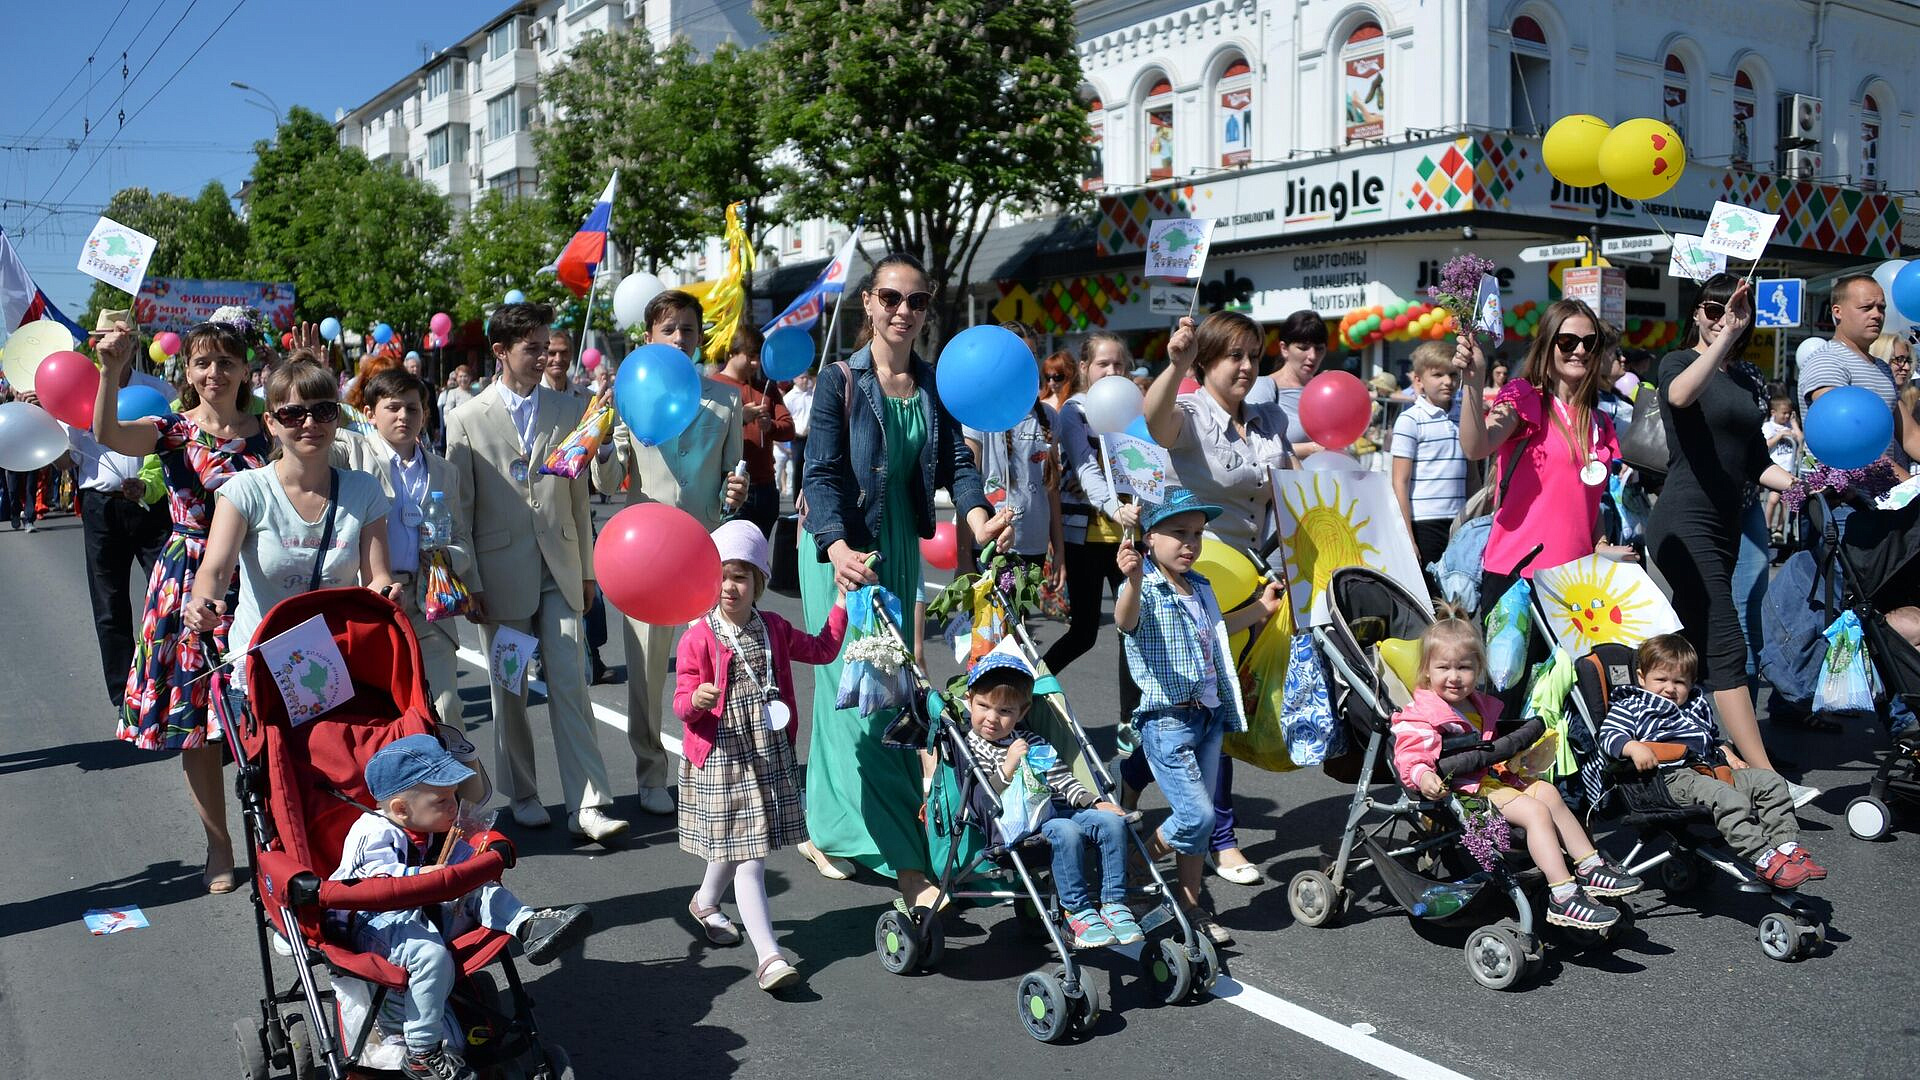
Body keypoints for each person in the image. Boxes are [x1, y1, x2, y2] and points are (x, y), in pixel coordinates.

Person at [795, 251, 1008, 909]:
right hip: (844, 554)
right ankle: (911, 868)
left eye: (916, 301)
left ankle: (829, 833)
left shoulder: (933, 382)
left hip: (898, 552)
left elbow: (954, 464)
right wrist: (834, 548)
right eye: (891, 298)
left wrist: (976, 515)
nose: (903, 312)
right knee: (871, 706)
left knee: (874, 700)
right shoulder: (840, 381)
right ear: (869, 303)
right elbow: (820, 475)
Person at [92, 317, 272, 893]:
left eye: (225, 361)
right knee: (199, 725)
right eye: (202, 363)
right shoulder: (172, 431)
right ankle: (219, 846)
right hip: (188, 578)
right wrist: (110, 371)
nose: (214, 372)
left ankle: (278, 840)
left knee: (269, 711)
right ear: (187, 372)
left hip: (262, 575)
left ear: (245, 368)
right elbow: (108, 436)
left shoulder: (273, 428)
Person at [445, 301, 629, 843]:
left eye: (547, 346)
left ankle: (589, 804)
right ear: (500, 352)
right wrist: (470, 579)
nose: (544, 355)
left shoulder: (569, 407)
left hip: (561, 563)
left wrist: (588, 567)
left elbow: (577, 493)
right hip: (500, 578)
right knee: (511, 688)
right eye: (533, 347)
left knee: (571, 678)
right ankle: (522, 793)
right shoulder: (465, 418)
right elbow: (460, 509)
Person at [1135, 310, 1291, 889]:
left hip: (1259, 576)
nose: (1248, 366)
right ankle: (1221, 840)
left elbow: (1299, 489)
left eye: (1254, 354)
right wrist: (1174, 366)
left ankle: (1132, 776)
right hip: (1199, 576)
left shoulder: (1270, 418)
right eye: (1235, 356)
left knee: (1201, 711)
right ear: (1206, 362)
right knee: (1214, 708)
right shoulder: (1191, 411)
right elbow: (1154, 423)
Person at [333, 734, 590, 1080]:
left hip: (427, 911)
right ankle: (423, 1051)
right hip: (378, 922)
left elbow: (462, 865)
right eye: (442, 799)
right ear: (400, 809)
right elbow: (373, 881)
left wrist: (472, 864)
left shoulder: (434, 829)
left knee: (480, 888)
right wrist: (423, 874)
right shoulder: (374, 830)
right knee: (430, 956)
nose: (453, 806)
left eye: (454, 796)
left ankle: (528, 926)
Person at [592, 290, 748, 816]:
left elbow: (734, 474)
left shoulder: (724, 399)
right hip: (648, 555)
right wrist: (607, 446)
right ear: (649, 339)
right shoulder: (631, 393)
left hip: (706, 550)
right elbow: (611, 481)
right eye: (669, 329)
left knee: (713, 664)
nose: (681, 338)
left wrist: (736, 491)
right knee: (648, 670)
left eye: (688, 328)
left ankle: (709, 766)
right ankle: (650, 771)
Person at [673, 521, 847, 992]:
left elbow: (823, 649)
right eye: (723, 576)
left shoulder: (773, 627)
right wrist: (698, 701)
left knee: (737, 843)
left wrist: (841, 603)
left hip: (765, 752)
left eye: (742, 577)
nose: (730, 586)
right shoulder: (698, 637)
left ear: (759, 584)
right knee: (749, 854)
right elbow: (681, 702)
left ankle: (705, 901)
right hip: (722, 757)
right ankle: (769, 956)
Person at [1645, 275, 1802, 790]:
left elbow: (1756, 460)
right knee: (1726, 639)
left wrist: (1806, 486)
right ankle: (1767, 776)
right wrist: (1723, 339)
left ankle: (1701, 751)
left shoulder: (1744, 379)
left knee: (1693, 645)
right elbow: (1681, 395)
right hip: (1684, 518)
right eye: (1713, 308)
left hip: (1726, 522)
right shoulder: (1677, 362)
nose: (1722, 316)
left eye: (1735, 310)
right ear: (1697, 313)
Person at [1390, 612, 1642, 930]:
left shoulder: (1475, 705)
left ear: (1478, 670)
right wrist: (1425, 777)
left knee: (1549, 792)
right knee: (1536, 812)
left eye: (1464, 667)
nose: (1454, 677)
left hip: (1492, 780)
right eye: (1444, 668)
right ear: (1426, 672)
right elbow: (1412, 754)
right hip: (1466, 791)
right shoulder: (1423, 714)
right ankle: (1563, 894)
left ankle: (1589, 865)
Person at [1115, 488, 1283, 944]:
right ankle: (1134, 863)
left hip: (1208, 717)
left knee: (1196, 826)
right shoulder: (1143, 586)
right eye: (1178, 533)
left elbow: (1216, 628)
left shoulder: (1202, 586)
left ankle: (1191, 907)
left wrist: (1259, 610)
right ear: (1149, 538)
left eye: (1197, 534)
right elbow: (1126, 621)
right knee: (1197, 817)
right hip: (1167, 721)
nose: (1190, 543)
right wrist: (1130, 581)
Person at [1456, 299, 1632, 715]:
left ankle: (1552, 781)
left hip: (1576, 582)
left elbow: (1588, 503)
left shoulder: (1600, 421)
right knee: (1507, 696)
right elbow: (1476, 445)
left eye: (1590, 343)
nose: (1580, 351)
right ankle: (1497, 777)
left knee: (1559, 698)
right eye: (1567, 340)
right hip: (1518, 575)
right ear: (1548, 346)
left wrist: (1602, 544)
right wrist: (1472, 381)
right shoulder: (1525, 398)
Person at [1599, 635, 1827, 889]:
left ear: (1691, 682)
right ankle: (1762, 856)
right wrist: (1632, 746)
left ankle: (1787, 845)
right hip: (1668, 778)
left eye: (1679, 682)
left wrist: (1728, 754)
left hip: (1711, 769)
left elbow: (1712, 738)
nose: (1670, 688)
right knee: (1725, 797)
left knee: (1770, 782)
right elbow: (1609, 735)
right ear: (1642, 678)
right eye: (1660, 680)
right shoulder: (1632, 704)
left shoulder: (1695, 704)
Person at [965, 649, 1141, 948]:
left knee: (1110, 822)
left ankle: (1114, 903)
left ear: (1021, 713)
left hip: (1049, 813)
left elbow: (1062, 779)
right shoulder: (972, 746)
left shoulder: (1032, 741)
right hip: (1010, 825)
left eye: (1005, 712)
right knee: (1066, 829)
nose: (992, 718)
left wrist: (1094, 802)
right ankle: (1077, 911)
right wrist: (1008, 766)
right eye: (983, 706)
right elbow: (981, 798)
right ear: (969, 701)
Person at [333, 368, 474, 730]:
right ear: (369, 413)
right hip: (376, 600)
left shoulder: (444, 471)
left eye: (413, 409)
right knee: (385, 715)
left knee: (446, 711)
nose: (404, 417)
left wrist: (443, 555)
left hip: (429, 602)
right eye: (393, 408)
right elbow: (319, 431)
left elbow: (462, 541)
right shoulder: (354, 454)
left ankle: (453, 787)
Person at [63, 314, 173, 709]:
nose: (118, 343)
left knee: (166, 598)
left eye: (125, 337)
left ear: (134, 345)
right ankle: (124, 693)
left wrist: (147, 484)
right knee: (109, 604)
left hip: (151, 505)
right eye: (110, 336)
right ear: (97, 343)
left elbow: (173, 449)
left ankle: (164, 679)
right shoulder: (77, 388)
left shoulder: (160, 389)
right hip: (100, 506)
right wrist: (43, 414)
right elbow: (64, 460)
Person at [1045, 332, 1142, 723]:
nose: (1113, 371)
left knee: (1133, 630)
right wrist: (1112, 506)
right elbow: (1084, 467)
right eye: (1104, 364)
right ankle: (1032, 687)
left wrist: (1134, 512)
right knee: (1084, 632)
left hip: (1129, 538)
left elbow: (1144, 463)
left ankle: (1129, 720)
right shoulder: (1075, 411)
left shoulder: (1134, 406)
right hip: (1085, 537)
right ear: (1085, 368)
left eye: (1119, 364)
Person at [961, 350, 1063, 584]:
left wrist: (1059, 551)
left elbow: (1052, 489)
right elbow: (966, 486)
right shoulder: (979, 416)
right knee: (989, 620)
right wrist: (964, 557)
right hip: (990, 543)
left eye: (1030, 358)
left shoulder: (1048, 417)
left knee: (1020, 620)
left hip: (1034, 545)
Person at [1800, 275, 1920, 474]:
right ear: (1837, 312)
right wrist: (1906, 484)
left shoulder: (1881, 367)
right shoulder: (1828, 361)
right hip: (1841, 500)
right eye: (1866, 308)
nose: (1877, 315)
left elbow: (1910, 435)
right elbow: (1847, 437)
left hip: (1881, 498)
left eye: (1881, 308)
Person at [1390, 341, 1468, 572]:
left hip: (1460, 519)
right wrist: (1408, 537)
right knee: (1431, 595)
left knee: (1460, 594)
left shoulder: (1464, 417)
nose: (1448, 382)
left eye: (1453, 375)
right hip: (1424, 522)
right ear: (1418, 380)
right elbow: (1399, 482)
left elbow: (1471, 474)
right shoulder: (1410, 420)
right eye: (1438, 374)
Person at [712, 325, 794, 538]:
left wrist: (771, 426)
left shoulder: (766, 387)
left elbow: (788, 429)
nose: (756, 363)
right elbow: (705, 433)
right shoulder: (713, 386)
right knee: (733, 561)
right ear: (732, 353)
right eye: (750, 356)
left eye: (759, 357)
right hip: (729, 488)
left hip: (765, 487)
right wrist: (739, 418)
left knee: (759, 561)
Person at [1244, 308, 1329, 458]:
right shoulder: (1264, 387)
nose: (1313, 356)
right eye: (1303, 348)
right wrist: (1313, 449)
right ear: (1284, 348)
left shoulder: (1325, 391)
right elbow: (1254, 446)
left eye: (1319, 349)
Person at [1762, 392, 1804, 542]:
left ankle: (1781, 529)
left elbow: (1800, 439)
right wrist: (1779, 436)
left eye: (1789, 413)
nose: (1786, 416)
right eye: (1784, 413)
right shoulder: (1768, 426)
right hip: (1774, 470)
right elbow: (1765, 445)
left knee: (1787, 502)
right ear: (1773, 412)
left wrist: (1793, 425)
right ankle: (1767, 527)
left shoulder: (1789, 425)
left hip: (1789, 470)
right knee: (1773, 499)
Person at [781, 370, 815, 501]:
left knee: (811, 468)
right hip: (797, 437)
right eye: (802, 378)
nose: (805, 380)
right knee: (797, 469)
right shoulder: (789, 398)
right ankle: (796, 500)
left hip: (811, 436)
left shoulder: (813, 395)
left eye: (807, 378)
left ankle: (810, 498)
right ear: (795, 380)